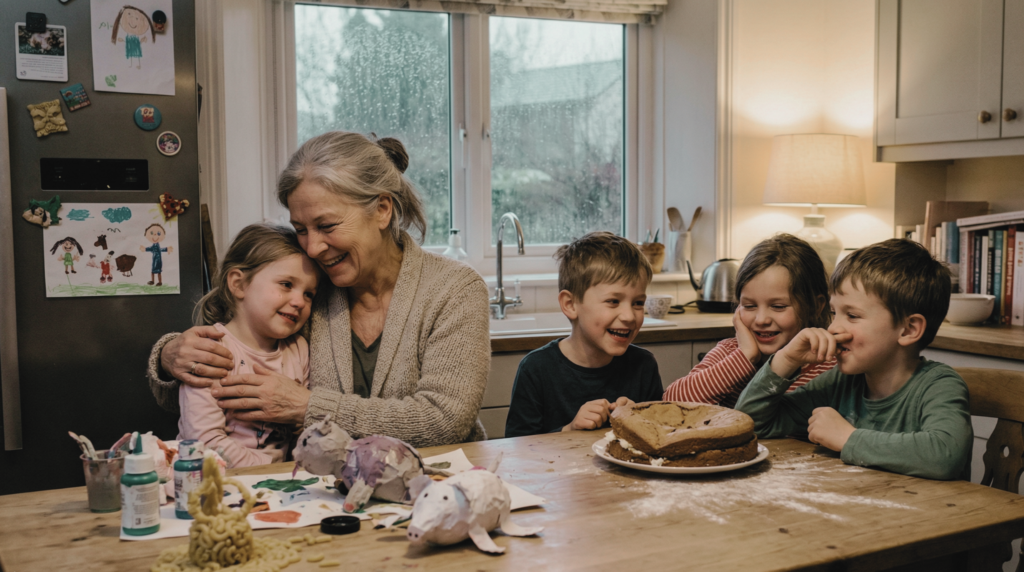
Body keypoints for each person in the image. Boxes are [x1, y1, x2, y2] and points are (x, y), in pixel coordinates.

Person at [147, 132, 490, 448]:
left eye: (326, 226)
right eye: (301, 229)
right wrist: (169, 357)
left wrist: (307, 407)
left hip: (439, 489)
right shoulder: (308, 290)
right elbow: (222, 368)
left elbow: (444, 422)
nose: (312, 249)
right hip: (326, 496)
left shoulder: (454, 290)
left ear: (382, 210)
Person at [735, 239, 973, 480]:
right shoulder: (839, 383)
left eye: (852, 315)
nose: (834, 328)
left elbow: (945, 456)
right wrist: (786, 360)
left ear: (908, 329)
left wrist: (847, 438)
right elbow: (751, 426)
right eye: (833, 313)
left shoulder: (938, 385)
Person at [178, 223, 318, 468]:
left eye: (309, 294)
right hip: (215, 483)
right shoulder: (210, 350)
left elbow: (302, 427)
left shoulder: (299, 348)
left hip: (276, 484)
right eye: (286, 284)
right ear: (239, 284)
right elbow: (204, 440)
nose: (299, 301)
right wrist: (269, 468)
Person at [504, 232, 663, 438]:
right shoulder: (536, 370)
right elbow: (517, 450)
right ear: (570, 305)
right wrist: (569, 430)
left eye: (638, 303)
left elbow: (660, 438)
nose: (629, 316)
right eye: (613, 301)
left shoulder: (644, 366)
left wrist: (639, 420)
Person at [663, 234, 835, 407]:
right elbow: (671, 402)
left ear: (815, 306)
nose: (761, 320)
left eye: (778, 306)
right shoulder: (731, 351)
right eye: (749, 306)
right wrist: (745, 356)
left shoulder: (828, 364)